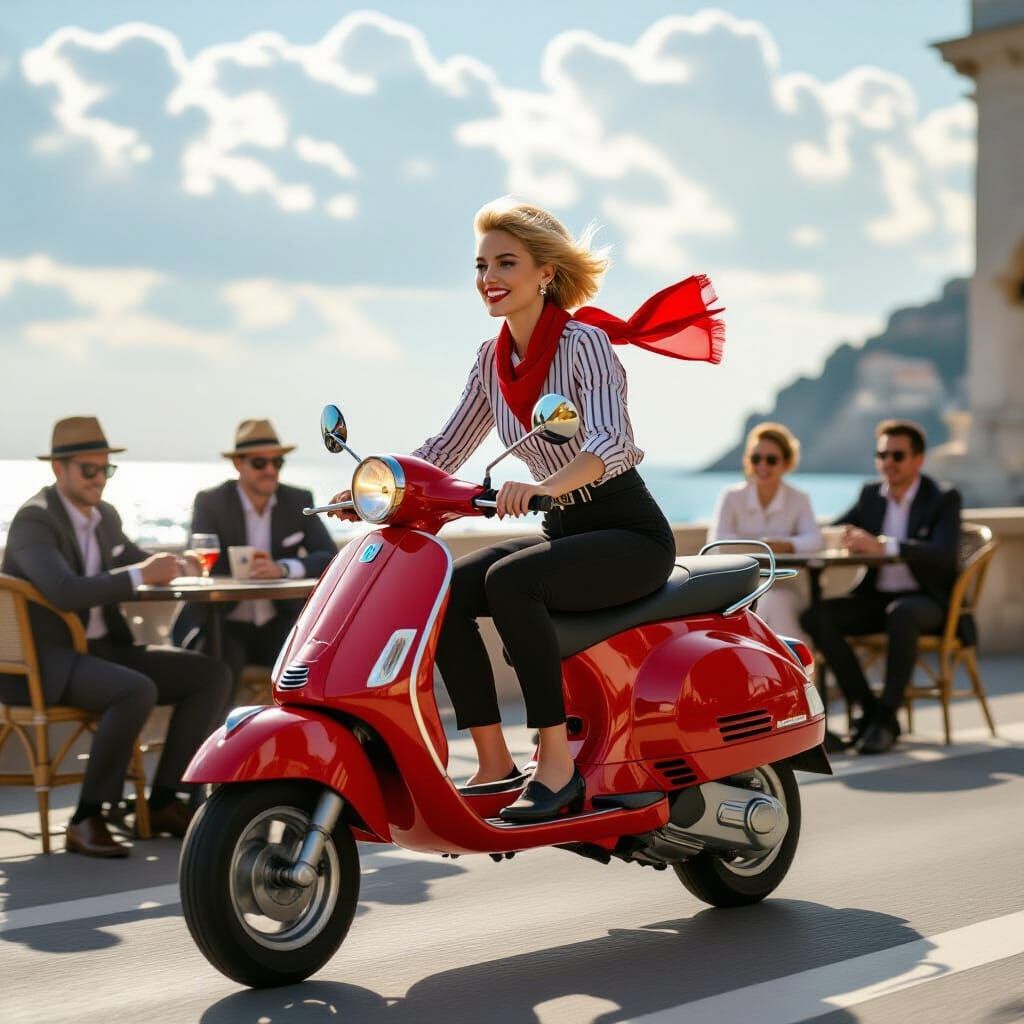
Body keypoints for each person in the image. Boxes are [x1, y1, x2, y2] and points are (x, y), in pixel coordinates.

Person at [331, 199, 724, 822]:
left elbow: (611, 442)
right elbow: (447, 447)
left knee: (514, 582)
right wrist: (377, 491)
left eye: (505, 263)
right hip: (566, 530)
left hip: (628, 533)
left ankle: (557, 767)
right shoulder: (491, 360)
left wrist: (544, 488)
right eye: (481, 265)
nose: (489, 277)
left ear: (545, 273)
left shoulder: (585, 344)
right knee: (452, 589)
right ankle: (493, 760)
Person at [0, 417, 231, 857]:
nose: (99, 480)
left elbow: (131, 558)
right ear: (59, 470)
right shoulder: (35, 522)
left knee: (210, 674)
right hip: (46, 663)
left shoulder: (104, 516)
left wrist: (174, 565)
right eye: (90, 470)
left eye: (106, 470)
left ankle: (165, 800)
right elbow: (62, 591)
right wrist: (139, 574)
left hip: (103, 651)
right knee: (135, 690)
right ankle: (87, 816)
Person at [800, 419, 961, 755]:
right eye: (882, 454)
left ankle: (885, 717)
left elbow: (944, 554)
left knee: (901, 614)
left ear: (918, 459)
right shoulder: (870, 495)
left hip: (926, 602)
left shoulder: (943, 498)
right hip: (876, 599)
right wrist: (843, 537)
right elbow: (835, 527)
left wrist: (884, 546)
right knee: (816, 616)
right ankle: (870, 709)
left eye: (897, 455)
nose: (888, 462)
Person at [173, 419, 336, 706]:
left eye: (278, 462)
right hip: (224, 622)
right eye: (260, 463)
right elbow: (198, 561)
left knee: (318, 664)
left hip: (278, 622)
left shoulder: (297, 500)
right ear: (239, 463)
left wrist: (284, 568)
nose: (271, 470)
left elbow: (328, 556)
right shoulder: (212, 503)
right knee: (219, 666)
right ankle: (216, 746)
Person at [707, 422, 822, 642]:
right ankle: (792, 669)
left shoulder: (799, 499)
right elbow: (717, 542)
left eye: (771, 459)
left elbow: (815, 540)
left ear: (786, 463)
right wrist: (763, 545)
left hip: (788, 588)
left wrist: (786, 545)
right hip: (738, 588)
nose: (762, 465)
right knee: (765, 601)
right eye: (756, 458)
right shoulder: (731, 496)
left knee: (774, 600)